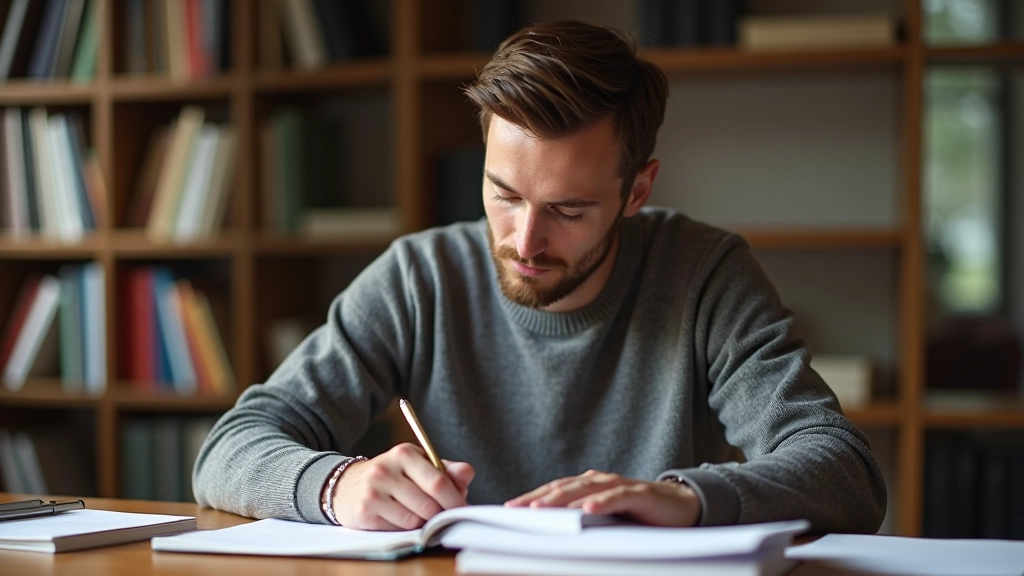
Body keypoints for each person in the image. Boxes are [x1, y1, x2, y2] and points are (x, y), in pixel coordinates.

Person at [194, 20, 886, 533]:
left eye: (568, 209)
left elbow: (845, 472)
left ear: (636, 191)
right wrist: (335, 484)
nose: (525, 241)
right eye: (503, 194)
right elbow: (228, 448)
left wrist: (687, 498)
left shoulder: (702, 273)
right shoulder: (419, 277)